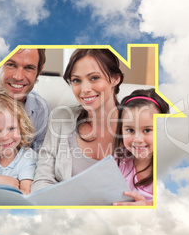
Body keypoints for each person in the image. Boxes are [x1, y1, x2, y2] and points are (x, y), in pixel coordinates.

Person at [31, 49, 123, 192]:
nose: (84, 89)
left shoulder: (139, 125)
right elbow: (43, 180)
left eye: (94, 78)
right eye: (76, 80)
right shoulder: (60, 119)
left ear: (115, 79)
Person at [112, 89, 169, 206]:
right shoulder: (118, 160)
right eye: (130, 130)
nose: (137, 139)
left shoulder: (169, 167)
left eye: (147, 130)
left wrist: (148, 206)